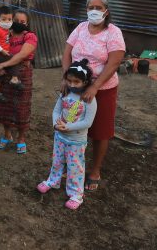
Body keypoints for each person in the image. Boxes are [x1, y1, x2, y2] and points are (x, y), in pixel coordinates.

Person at [62, 0, 125, 192]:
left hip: (103, 89)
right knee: (71, 124)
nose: (94, 11)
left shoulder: (113, 32)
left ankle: (95, 170)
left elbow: (114, 62)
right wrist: (66, 78)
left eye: (98, 7)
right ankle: (71, 164)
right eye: (91, 7)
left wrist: (95, 86)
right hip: (75, 88)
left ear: (106, 11)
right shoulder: (80, 28)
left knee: (100, 131)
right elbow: (67, 53)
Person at [37, 59, 97, 210]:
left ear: (85, 81)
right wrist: (55, 124)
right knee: (57, 161)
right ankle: (53, 181)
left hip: (76, 141)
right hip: (60, 136)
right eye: (69, 81)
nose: (72, 85)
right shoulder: (65, 92)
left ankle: (76, 194)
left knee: (75, 167)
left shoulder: (89, 99)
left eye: (76, 82)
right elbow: (56, 110)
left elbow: (88, 122)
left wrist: (68, 127)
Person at [0, 10, 38, 154]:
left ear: (27, 24)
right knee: (5, 105)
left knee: (21, 108)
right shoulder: (3, 33)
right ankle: (7, 135)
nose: (18, 23)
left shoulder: (30, 36)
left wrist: (2, 65)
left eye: (22, 21)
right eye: (15, 20)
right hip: (3, 74)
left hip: (22, 74)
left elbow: (22, 55)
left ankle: (21, 139)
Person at [0, 6, 22, 101]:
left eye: (9, 19)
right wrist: (1, 50)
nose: (7, 22)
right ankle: (14, 79)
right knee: (15, 60)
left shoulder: (5, 30)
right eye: (4, 19)